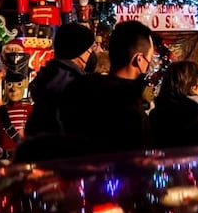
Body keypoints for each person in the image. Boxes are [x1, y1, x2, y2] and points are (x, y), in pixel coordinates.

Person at [18, 21, 154, 161]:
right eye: (150, 59)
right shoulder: (122, 104)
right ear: (139, 59)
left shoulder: (76, 87)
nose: (92, 55)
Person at [24, 22, 95, 137]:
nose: (91, 54)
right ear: (78, 51)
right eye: (90, 49)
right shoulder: (75, 84)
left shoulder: (48, 75)